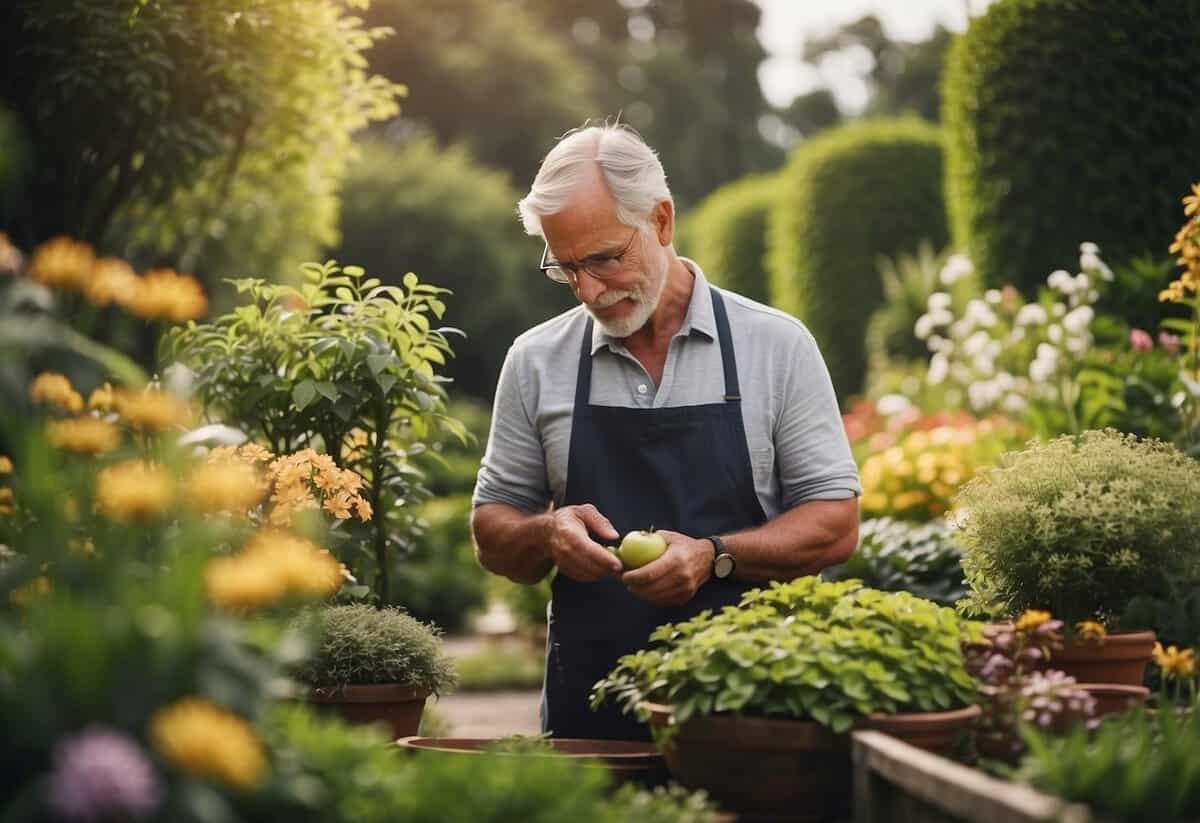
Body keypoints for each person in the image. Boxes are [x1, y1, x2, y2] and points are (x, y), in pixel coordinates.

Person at [470, 123, 861, 741]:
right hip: (589, 725)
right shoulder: (535, 360)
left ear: (661, 220)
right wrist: (547, 532)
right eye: (567, 268)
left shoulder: (776, 346)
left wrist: (716, 557)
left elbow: (835, 524)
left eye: (604, 258)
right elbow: (492, 534)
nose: (589, 290)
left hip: (749, 717)